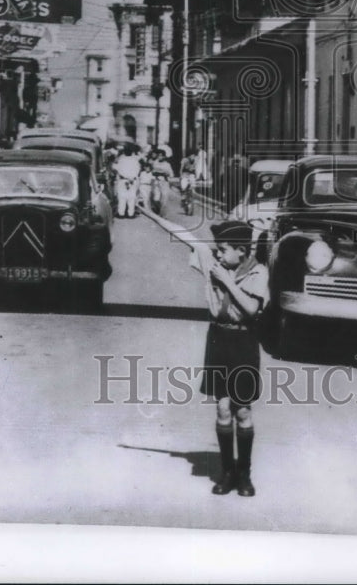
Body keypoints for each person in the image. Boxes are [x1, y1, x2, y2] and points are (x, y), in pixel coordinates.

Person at [191, 220, 269, 497]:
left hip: (244, 341)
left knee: (243, 410)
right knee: (223, 409)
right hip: (219, 340)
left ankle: (244, 474)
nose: (219, 255)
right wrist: (149, 212)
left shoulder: (259, 272)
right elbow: (185, 236)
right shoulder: (215, 264)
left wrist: (226, 282)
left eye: (223, 250)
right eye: (218, 250)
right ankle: (227, 472)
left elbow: (251, 308)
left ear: (241, 251)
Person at [114, 144, 141, 218]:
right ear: (132, 152)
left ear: (124, 152)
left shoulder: (121, 160)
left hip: (123, 180)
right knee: (131, 197)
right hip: (132, 180)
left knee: (122, 197)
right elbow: (138, 170)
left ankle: (121, 213)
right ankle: (130, 213)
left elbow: (117, 169)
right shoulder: (135, 160)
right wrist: (132, 177)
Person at [150, 149, 173, 215]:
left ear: (164, 157)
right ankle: (157, 208)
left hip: (164, 182)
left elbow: (171, 174)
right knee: (156, 198)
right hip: (156, 182)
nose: (160, 157)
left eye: (161, 156)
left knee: (164, 198)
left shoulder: (167, 164)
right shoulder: (155, 163)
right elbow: (152, 172)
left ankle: (163, 214)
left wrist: (167, 174)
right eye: (159, 156)